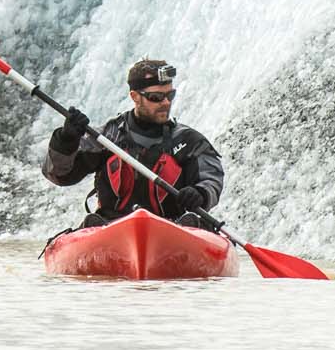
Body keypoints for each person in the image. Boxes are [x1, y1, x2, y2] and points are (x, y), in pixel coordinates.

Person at [41, 58, 224, 229]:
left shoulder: (189, 142)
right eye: (156, 97)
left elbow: (211, 180)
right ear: (135, 96)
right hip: (111, 227)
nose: (166, 103)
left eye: (170, 95)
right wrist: (66, 139)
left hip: (172, 228)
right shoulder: (107, 136)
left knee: (195, 222)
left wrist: (200, 193)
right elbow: (57, 175)